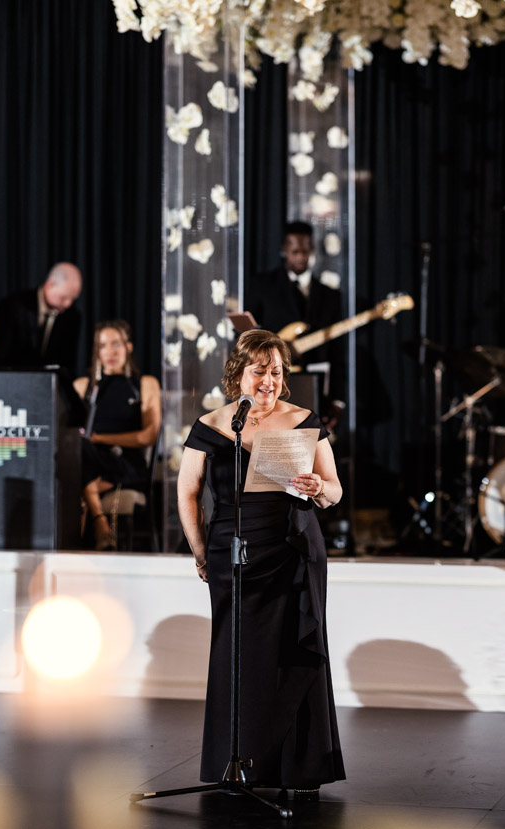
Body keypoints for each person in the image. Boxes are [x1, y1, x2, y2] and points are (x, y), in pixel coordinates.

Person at [177, 329, 346, 799]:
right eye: (259, 371)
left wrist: (319, 488)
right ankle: (239, 762)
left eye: (276, 372)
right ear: (238, 374)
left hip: (291, 548)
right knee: (238, 656)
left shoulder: (303, 421)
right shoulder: (212, 426)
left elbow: (334, 490)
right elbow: (187, 491)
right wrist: (198, 549)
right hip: (233, 550)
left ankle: (299, 766)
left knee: (293, 654)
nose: (269, 382)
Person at [245, 221, 345, 430]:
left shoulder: (331, 296)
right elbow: (247, 336)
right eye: (295, 251)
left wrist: (338, 400)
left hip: (317, 391)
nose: (300, 257)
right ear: (284, 250)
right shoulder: (261, 286)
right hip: (270, 388)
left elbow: (339, 353)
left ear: (313, 250)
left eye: (305, 251)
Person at [74, 319, 161, 551]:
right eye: (102, 346)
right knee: (77, 451)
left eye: (116, 344)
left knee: (74, 479)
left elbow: (147, 437)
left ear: (128, 347)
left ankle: (83, 539)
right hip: (90, 462)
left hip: (126, 463)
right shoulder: (83, 386)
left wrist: (100, 439)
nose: (110, 352)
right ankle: (100, 522)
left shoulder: (144, 384)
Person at [0, 262, 83, 374]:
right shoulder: (14, 306)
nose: (68, 304)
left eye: (73, 299)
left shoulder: (71, 317)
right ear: (50, 285)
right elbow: (0, 354)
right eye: (63, 297)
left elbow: (67, 362)